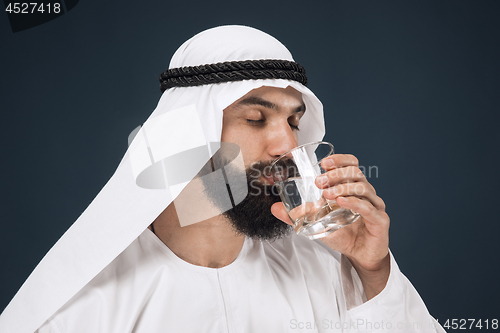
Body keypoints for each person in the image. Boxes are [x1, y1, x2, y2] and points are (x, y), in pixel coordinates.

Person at [0, 25, 445, 333]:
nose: (285, 145)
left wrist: (373, 270)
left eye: (294, 122)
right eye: (255, 119)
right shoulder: (89, 307)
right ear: (186, 136)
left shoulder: (322, 272)